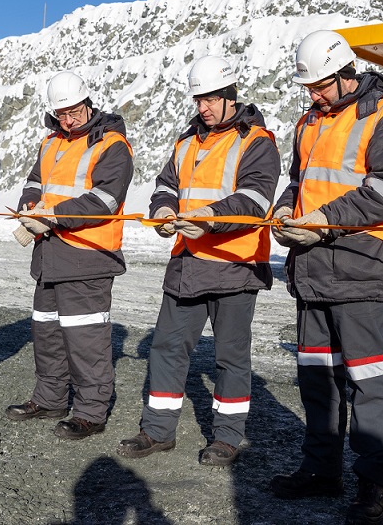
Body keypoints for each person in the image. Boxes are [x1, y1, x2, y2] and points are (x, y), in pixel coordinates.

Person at [268, 30, 383, 525]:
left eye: (320, 86)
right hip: (312, 270)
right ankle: (321, 470)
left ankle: (373, 486)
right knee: (317, 378)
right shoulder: (308, 122)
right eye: (308, 88)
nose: (313, 95)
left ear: (346, 73)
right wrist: (286, 211)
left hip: (361, 267)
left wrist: (323, 221)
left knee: (367, 381)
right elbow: (299, 182)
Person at [117, 55, 280, 466]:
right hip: (187, 261)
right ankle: (158, 431)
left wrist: (208, 218)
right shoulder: (186, 141)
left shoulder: (257, 141)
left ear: (230, 97)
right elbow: (165, 185)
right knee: (167, 348)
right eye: (198, 100)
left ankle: (226, 437)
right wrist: (163, 210)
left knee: (230, 356)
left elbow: (255, 199)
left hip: (235, 264)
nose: (202, 107)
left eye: (209, 99)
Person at [5, 71, 134, 441]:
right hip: (49, 255)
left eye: (74, 111)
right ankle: (50, 400)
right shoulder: (51, 142)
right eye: (61, 114)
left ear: (88, 103)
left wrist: (52, 216)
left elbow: (104, 200)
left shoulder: (111, 145)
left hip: (87, 257)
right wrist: (30, 205)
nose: (68, 120)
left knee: (86, 339)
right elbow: (35, 181)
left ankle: (91, 413)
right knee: (47, 333)